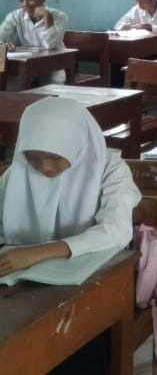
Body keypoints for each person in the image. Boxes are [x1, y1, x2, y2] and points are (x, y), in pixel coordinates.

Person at [0, 97, 140, 374]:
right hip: (25, 282)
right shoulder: (17, 174)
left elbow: (116, 230)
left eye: (55, 157)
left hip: (94, 276)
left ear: (77, 144)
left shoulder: (110, 169)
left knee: (76, 341)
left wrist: (37, 252)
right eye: (34, 158)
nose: (44, 168)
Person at [0, 0, 69, 84]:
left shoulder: (59, 16)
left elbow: (50, 45)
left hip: (52, 62)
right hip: (25, 62)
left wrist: (47, 17)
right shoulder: (15, 16)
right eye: (21, 0)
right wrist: (3, 45)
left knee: (55, 86)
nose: (25, 4)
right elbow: (1, 36)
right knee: (10, 85)